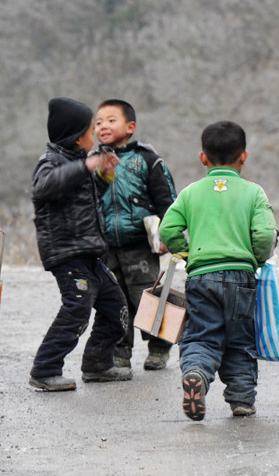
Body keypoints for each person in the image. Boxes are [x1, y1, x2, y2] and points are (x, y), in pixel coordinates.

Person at [159, 120, 276, 420]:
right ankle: (241, 400)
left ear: (203, 157)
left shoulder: (190, 193)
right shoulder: (253, 193)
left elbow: (168, 229)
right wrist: (257, 259)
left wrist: (185, 254)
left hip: (201, 276)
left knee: (200, 336)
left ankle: (196, 372)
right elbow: (264, 236)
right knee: (240, 339)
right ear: (244, 156)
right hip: (240, 276)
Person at [28, 97, 132, 392]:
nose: (96, 134)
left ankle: (97, 363)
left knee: (116, 306)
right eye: (90, 129)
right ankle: (45, 369)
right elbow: (43, 187)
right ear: (76, 137)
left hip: (89, 252)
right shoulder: (51, 161)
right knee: (76, 308)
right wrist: (87, 165)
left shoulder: (76, 162)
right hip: (67, 253)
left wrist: (104, 177)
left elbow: (82, 199)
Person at [94, 99, 177, 371]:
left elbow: (168, 201)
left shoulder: (147, 159)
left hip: (139, 243)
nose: (103, 126)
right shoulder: (93, 164)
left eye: (110, 120)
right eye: (98, 122)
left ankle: (159, 347)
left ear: (130, 127)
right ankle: (119, 352)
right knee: (113, 301)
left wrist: (168, 234)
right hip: (106, 244)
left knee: (147, 296)